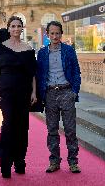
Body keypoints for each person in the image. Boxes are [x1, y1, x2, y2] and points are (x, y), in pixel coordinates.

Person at [0, 16, 39, 178]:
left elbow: (33, 74)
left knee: (23, 126)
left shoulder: (28, 49)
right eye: (13, 26)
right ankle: (5, 164)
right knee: (8, 124)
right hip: (6, 91)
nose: (16, 29)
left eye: (19, 26)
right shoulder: (1, 47)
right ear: (8, 28)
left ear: (22, 29)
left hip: (24, 91)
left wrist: (34, 92)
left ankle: (20, 162)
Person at [36, 21, 81, 173]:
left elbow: (76, 72)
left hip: (66, 92)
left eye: (57, 33)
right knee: (52, 130)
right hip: (50, 94)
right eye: (52, 33)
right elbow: (39, 74)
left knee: (70, 130)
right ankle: (54, 161)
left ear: (61, 34)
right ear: (47, 34)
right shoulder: (42, 53)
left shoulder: (69, 50)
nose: (55, 36)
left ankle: (73, 162)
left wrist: (74, 91)